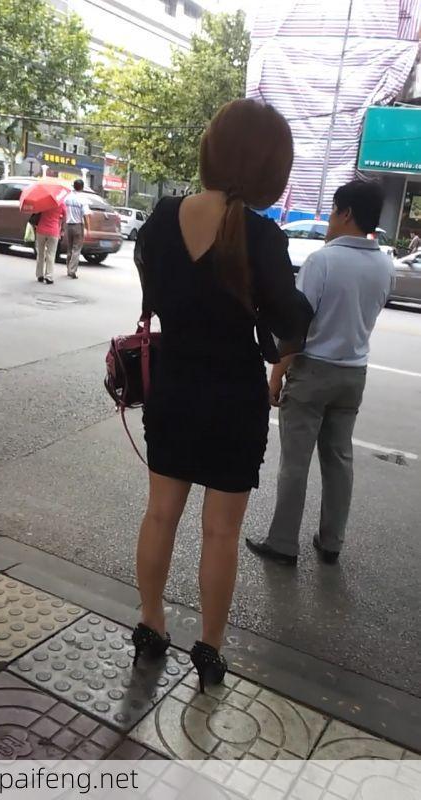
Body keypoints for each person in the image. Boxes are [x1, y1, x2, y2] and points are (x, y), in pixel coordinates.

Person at [131, 98, 312, 693]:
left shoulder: (162, 217)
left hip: (173, 388)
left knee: (160, 513)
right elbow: (292, 322)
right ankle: (209, 647)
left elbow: (155, 290)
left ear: (213, 149)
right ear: (268, 167)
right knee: (221, 533)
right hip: (234, 399)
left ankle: (150, 625)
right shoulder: (262, 235)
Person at [246, 180, 395, 567]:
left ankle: (283, 543)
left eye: (331, 211)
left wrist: (276, 375)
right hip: (354, 374)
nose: (329, 219)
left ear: (346, 214)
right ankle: (331, 541)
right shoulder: (385, 264)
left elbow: (294, 329)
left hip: (313, 372)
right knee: (339, 459)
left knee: (295, 462)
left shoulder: (322, 261)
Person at [35, 201, 66, 285]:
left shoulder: (44, 202)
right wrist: (62, 229)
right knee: (51, 254)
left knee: (40, 253)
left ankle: (39, 275)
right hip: (53, 231)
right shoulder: (61, 203)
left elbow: (36, 212)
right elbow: (65, 217)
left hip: (41, 230)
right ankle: (49, 276)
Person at [65, 179, 90, 279]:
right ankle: (72, 270)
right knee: (76, 249)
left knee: (69, 248)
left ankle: (68, 268)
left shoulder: (68, 197)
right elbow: (86, 215)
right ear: (82, 187)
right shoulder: (82, 199)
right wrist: (88, 228)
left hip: (68, 225)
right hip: (78, 226)